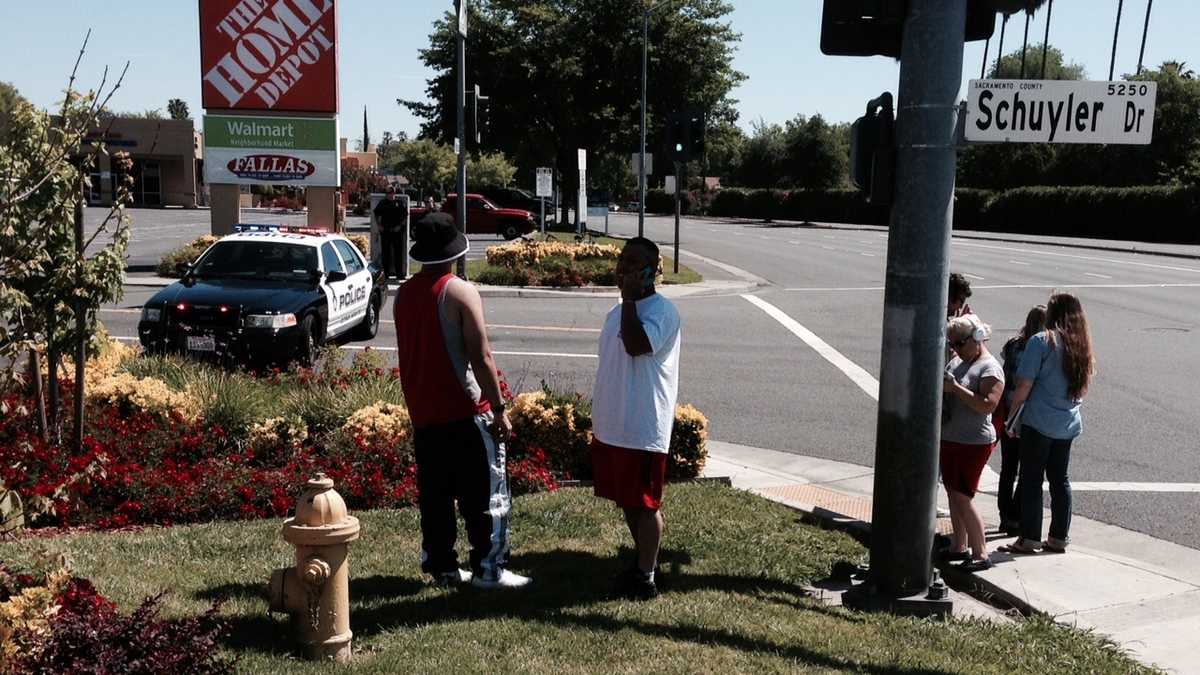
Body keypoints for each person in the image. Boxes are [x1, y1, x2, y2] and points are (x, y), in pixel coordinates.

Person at [393, 212, 531, 590]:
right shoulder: (459, 291)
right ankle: (490, 569)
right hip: (465, 410)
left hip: (424, 413)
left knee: (435, 497)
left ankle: (443, 568)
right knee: (485, 493)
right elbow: (481, 356)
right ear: (456, 249)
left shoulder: (404, 294)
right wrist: (499, 410)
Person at [591, 237, 681, 600]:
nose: (622, 268)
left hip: (643, 428)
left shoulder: (662, 311)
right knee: (628, 501)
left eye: (633, 263)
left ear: (651, 270)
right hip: (614, 426)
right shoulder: (617, 312)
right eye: (621, 260)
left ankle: (645, 578)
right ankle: (645, 562)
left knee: (645, 504)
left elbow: (637, 345)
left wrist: (629, 299)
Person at [1003, 292, 1095, 555]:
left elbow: (1024, 384)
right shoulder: (1081, 346)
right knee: (1059, 479)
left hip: (1039, 420)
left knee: (1031, 479)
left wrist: (1012, 416)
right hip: (1067, 422)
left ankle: (1029, 537)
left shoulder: (1042, 341)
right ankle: (1058, 536)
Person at [941, 314, 1004, 572]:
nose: (955, 349)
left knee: (962, 496)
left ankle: (980, 554)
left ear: (977, 338)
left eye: (960, 343)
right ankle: (959, 546)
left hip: (974, 442)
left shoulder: (990, 368)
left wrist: (955, 389)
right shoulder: (957, 361)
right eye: (952, 344)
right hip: (951, 437)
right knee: (953, 494)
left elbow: (987, 404)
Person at [994, 305, 1047, 535]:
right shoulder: (1041, 349)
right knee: (1028, 469)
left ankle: (1005, 516)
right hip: (1028, 415)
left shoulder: (1013, 344)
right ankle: (1016, 515)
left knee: (1008, 468)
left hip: (1008, 411)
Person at [374, 187, 408, 278]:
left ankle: (399, 274)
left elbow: (405, 216)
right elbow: (376, 214)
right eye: (388, 193)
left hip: (397, 232)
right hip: (386, 232)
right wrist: (379, 225)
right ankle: (386, 274)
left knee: (398, 254)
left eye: (391, 193)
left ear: (394, 193)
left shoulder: (400, 203)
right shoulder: (382, 203)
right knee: (386, 254)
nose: (389, 194)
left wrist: (400, 226)